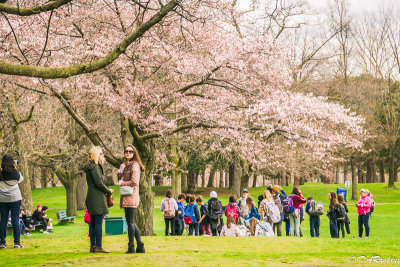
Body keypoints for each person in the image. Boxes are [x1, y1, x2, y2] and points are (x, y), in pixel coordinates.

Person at [84, 146, 114, 253]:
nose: (103, 155)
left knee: (93, 222)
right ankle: (99, 246)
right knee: (98, 222)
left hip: (91, 197)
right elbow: (99, 183)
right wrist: (108, 190)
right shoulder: (95, 167)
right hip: (97, 197)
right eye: (101, 153)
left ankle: (93, 246)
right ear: (96, 154)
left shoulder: (89, 167)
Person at [118, 145, 145, 253]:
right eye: (126, 151)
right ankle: (140, 245)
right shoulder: (126, 165)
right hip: (127, 196)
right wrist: (121, 170)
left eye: (130, 151)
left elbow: (134, 182)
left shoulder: (135, 166)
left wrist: (122, 183)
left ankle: (131, 247)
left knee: (130, 222)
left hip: (131, 196)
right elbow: (119, 177)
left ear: (134, 153)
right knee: (131, 221)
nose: (128, 153)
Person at [0, 154, 24, 249]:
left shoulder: (0, 174)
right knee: (15, 220)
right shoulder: (16, 174)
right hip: (15, 199)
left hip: (2, 199)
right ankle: (17, 242)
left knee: (3, 220)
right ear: (12, 163)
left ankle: (2, 242)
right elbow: (21, 179)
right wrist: (16, 168)